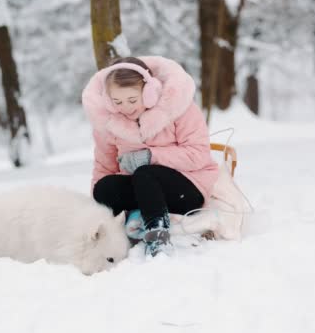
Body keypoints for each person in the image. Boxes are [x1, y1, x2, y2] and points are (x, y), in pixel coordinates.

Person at [82, 56, 219, 256]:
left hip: (187, 187)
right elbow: (104, 167)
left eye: (132, 100)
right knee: (103, 188)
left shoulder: (181, 109)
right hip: (142, 188)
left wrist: (150, 156)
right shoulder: (109, 123)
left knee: (146, 173)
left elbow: (198, 154)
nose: (126, 108)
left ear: (149, 93)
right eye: (117, 102)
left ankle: (157, 235)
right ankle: (140, 212)